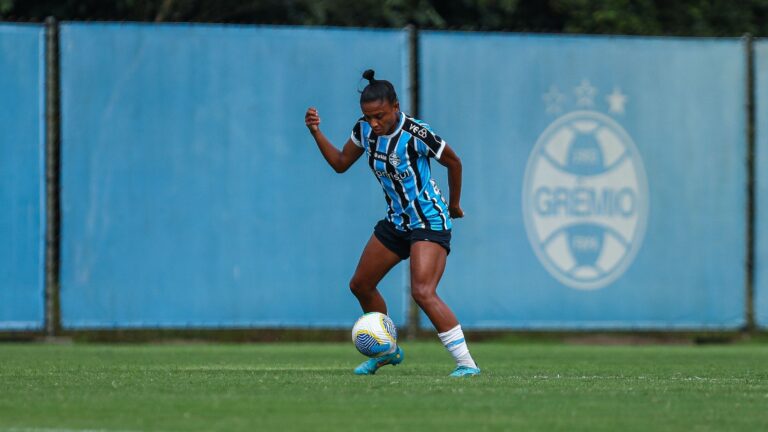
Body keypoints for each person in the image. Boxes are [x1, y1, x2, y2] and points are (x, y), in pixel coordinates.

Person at [304, 69, 480, 377]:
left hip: (429, 220)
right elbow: (341, 164)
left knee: (423, 291)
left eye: (380, 116)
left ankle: (467, 364)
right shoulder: (364, 131)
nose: (374, 123)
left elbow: (454, 161)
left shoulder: (416, 133)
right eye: (368, 116)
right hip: (397, 222)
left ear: (396, 106)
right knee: (360, 284)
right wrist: (317, 132)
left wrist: (454, 204)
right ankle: (387, 351)